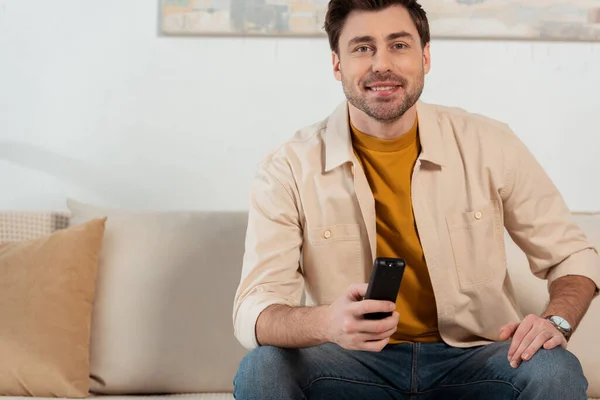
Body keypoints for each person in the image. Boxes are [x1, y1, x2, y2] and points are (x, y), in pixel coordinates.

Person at [232, 0, 600, 399]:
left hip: (476, 360)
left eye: (399, 45)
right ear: (337, 64)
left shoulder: (490, 144)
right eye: (362, 48)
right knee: (262, 368)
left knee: (554, 370)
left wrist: (557, 322)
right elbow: (256, 309)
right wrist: (328, 323)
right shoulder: (287, 166)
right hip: (350, 365)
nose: (381, 64)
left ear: (425, 56)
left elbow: (572, 256)